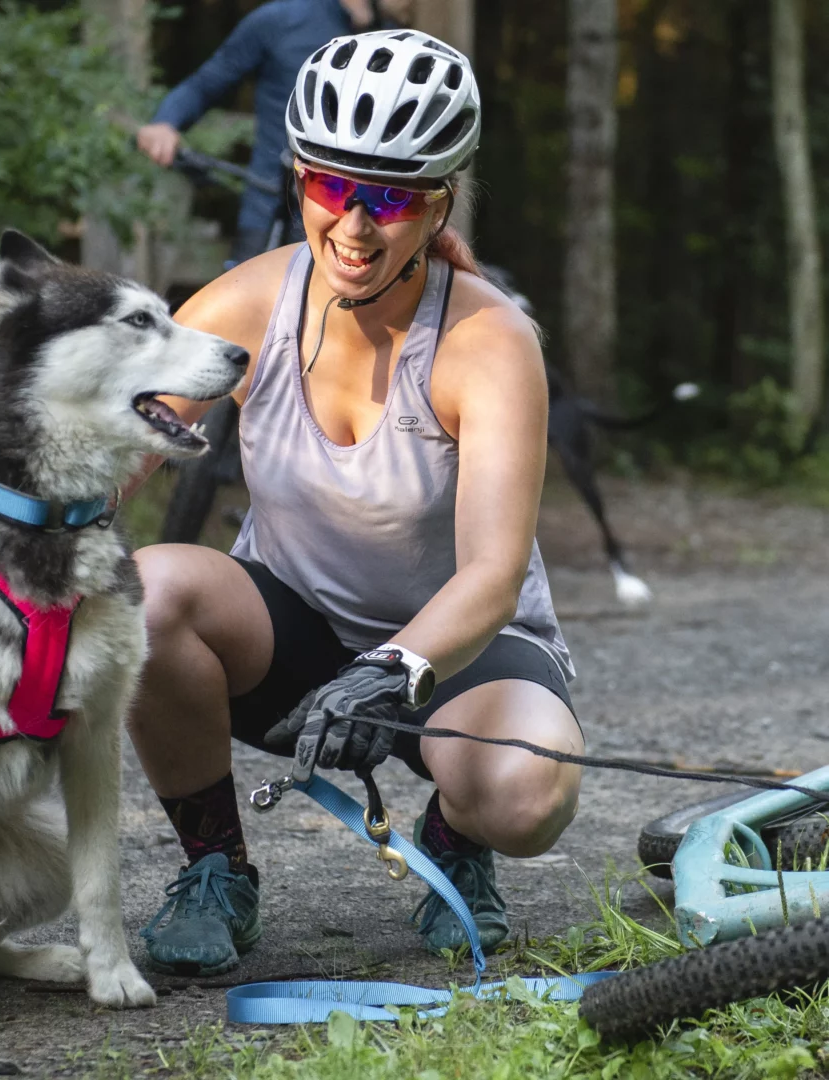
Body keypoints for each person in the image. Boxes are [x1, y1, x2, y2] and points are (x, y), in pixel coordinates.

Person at [127, 28, 584, 977]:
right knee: (147, 588)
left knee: (529, 794)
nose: (355, 225)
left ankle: (459, 837)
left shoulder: (489, 341)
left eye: (391, 197)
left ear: (440, 202)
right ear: (297, 177)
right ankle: (216, 869)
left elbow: (494, 575)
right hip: (288, 636)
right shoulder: (248, 304)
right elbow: (100, 460)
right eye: (332, 187)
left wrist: (395, 667)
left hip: (458, 653)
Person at [137, 0, 411, 264]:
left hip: (358, 218)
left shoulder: (397, 41)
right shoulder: (280, 20)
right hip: (268, 208)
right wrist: (165, 123)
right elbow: (207, 82)